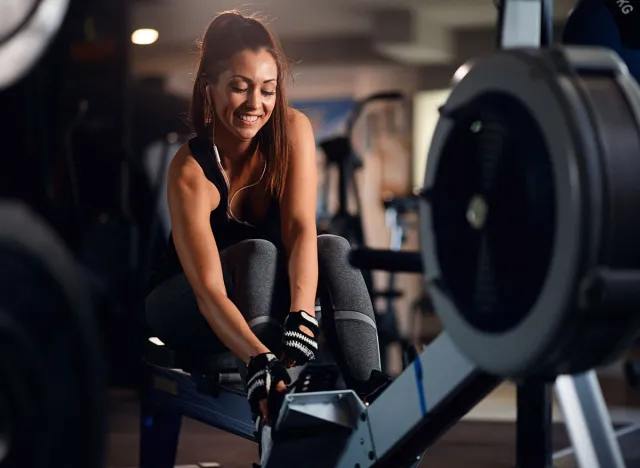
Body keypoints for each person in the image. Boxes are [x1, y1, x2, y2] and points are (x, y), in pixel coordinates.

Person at [145, 10, 390, 432]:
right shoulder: (190, 171)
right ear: (209, 88)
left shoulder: (292, 131)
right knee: (257, 252)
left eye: (267, 90)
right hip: (187, 306)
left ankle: (376, 398)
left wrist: (301, 315)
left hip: (253, 300)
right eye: (239, 88)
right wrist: (260, 359)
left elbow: (299, 230)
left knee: (333, 246)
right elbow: (208, 293)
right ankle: (270, 399)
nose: (254, 105)